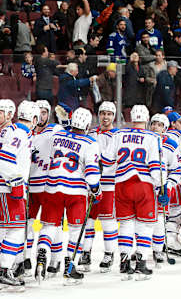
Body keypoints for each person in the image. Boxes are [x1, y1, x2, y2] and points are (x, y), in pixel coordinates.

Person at [37, 107, 101, 285]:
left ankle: (42, 253)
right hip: (75, 191)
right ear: (87, 125)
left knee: (49, 226)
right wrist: (96, 189)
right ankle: (69, 267)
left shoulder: (57, 136)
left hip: (51, 187)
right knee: (75, 230)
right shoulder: (90, 142)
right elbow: (91, 173)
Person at [102, 105, 167, 280]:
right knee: (144, 225)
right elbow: (156, 166)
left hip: (121, 184)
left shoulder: (118, 135)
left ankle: (124, 263)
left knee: (125, 224)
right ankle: (141, 264)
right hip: (143, 184)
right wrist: (161, 186)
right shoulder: (153, 137)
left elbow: (107, 160)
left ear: (131, 118)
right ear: (146, 119)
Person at [0, 99, 38, 292]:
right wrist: (15, 182)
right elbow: (5, 159)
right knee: (16, 229)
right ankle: (4, 271)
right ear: (35, 118)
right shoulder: (18, 132)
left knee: (0, 228)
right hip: (6, 186)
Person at [25, 100, 65, 279]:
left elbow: (67, 141)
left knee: (52, 224)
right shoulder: (26, 132)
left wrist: (66, 125)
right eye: (38, 112)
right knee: (25, 224)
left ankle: (55, 260)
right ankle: (25, 259)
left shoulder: (55, 130)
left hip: (50, 185)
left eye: (44, 112)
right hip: (30, 185)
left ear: (48, 114)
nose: (41, 116)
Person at [78, 102, 119, 273]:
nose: (105, 117)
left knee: (107, 219)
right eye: (103, 113)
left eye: (109, 114)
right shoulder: (91, 132)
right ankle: (85, 252)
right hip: (90, 183)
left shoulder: (117, 135)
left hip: (109, 183)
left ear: (114, 116)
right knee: (88, 219)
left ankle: (109, 253)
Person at [149, 113, 181, 267]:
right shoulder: (144, 141)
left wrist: (167, 187)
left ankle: (157, 250)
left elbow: (176, 170)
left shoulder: (171, 145)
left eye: (159, 125)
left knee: (160, 220)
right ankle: (140, 250)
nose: (155, 127)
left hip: (161, 188)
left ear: (165, 128)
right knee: (139, 222)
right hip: (144, 187)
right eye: (153, 123)